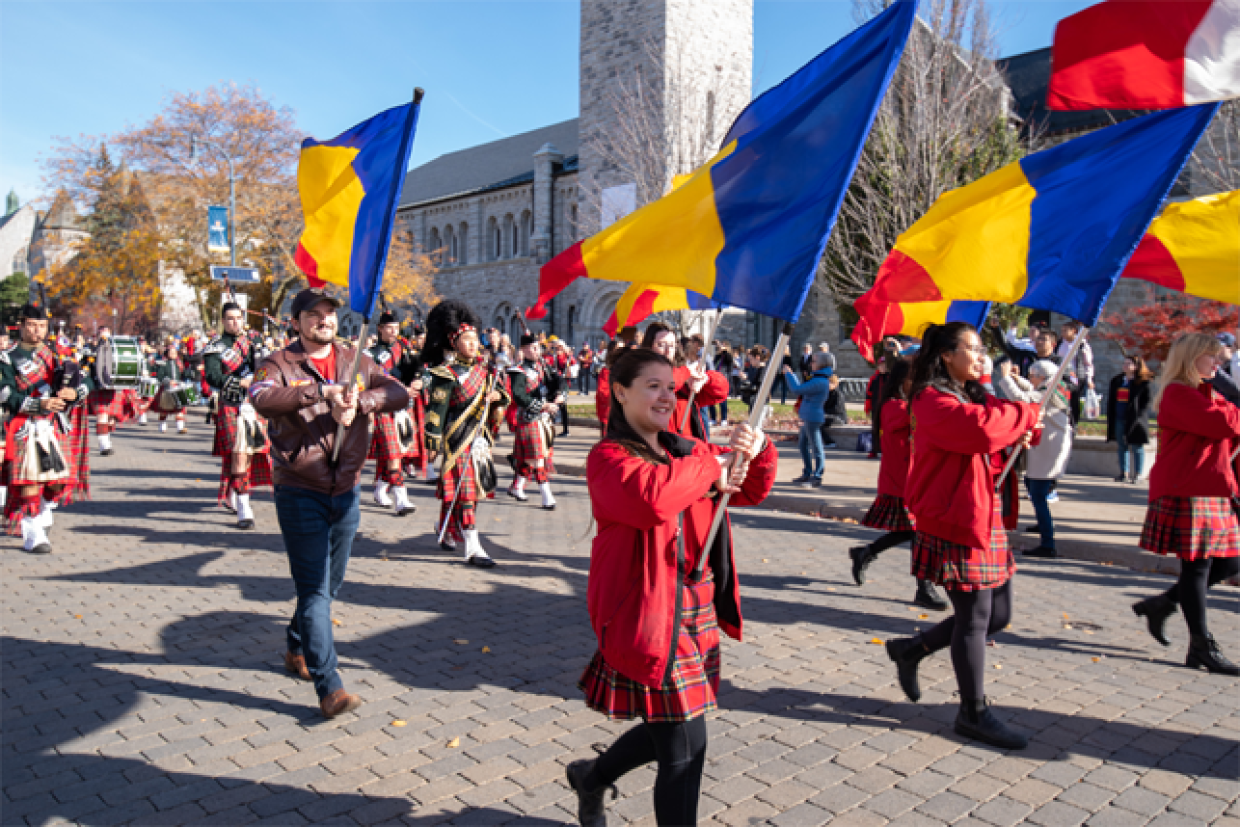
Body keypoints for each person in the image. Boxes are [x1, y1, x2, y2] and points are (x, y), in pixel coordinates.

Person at [566, 348, 776, 827]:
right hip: (649, 610)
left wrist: (756, 448)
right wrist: (711, 466)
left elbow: (749, 490)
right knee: (685, 745)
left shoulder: (687, 451)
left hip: (695, 605)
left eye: (672, 387)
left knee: (673, 733)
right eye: (653, 386)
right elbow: (652, 499)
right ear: (620, 392)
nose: (667, 396)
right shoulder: (608, 457)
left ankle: (592, 777)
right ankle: (592, 778)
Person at [250, 288, 409, 718]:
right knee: (315, 591)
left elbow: (398, 392)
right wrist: (321, 394)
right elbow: (261, 398)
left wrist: (364, 401)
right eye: (314, 315)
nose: (325, 320)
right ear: (297, 322)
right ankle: (329, 685)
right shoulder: (280, 363)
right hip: (301, 487)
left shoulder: (355, 359)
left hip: (347, 489)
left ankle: (296, 644)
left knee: (330, 585)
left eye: (330, 315)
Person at [884, 322, 1041, 749]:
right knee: (974, 619)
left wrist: (1023, 429)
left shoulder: (971, 394)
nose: (980, 355)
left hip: (982, 512)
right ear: (946, 356)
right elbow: (982, 431)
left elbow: (1000, 430)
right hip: (956, 515)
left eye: (981, 348)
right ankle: (973, 711)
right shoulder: (931, 398)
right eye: (971, 349)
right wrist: (1023, 415)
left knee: (998, 615)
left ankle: (912, 650)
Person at [1130, 333, 1239, 676]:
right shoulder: (1178, 393)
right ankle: (1201, 645)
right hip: (1188, 488)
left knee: (1229, 564)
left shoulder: (1205, 393)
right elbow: (1224, 422)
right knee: (1198, 568)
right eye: (1213, 358)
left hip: (1211, 488)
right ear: (1193, 359)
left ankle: (1163, 604)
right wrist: (1228, 394)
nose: (1218, 365)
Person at [849, 358, 949, 610]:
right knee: (918, 533)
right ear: (901, 380)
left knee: (913, 532)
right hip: (901, 481)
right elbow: (920, 416)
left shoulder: (906, 405)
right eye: (914, 380)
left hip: (916, 479)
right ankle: (923, 588)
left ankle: (867, 553)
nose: (919, 385)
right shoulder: (894, 407)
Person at [423, 300, 510, 567]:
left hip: (479, 437)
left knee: (471, 489)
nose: (473, 344)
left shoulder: (486, 372)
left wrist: (498, 397)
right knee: (466, 491)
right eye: (466, 340)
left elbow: (500, 400)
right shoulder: (445, 374)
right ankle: (473, 547)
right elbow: (436, 410)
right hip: (457, 437)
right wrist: (432, 440)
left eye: (475, 339)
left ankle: (446, 526)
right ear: (454, 343)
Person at [0, 304, 91, 554]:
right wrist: (39, 404)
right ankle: (32, 532)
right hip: (25, 425)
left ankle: (43, 507)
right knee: (29, 479)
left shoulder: (60, 355)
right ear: (21, 326)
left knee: (57, 483)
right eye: (31, 325)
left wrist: (74, 392)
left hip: (55, 424)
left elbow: (87, 381)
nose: (37, 331)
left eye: (41, 326)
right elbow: (5, 394)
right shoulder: (7, 357)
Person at [204, 303, 273, 529]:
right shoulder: (215, 346)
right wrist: (238, 382)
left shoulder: (251, 343)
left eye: (238, 318)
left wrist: (262, 351)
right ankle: (244, 506)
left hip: (252, 404)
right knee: (239, 452)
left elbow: (263, 369)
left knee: (249, 453)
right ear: (223, 321)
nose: (235, 322)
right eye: (230, 319)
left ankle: (236, 489)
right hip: (230, 404)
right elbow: (212, 377)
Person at [364, 310, 424, 516]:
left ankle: (380, 487)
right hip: (384, 407)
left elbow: (420, 370)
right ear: (380, 329)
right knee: (393, 453)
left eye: (396, 328)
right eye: (389, 328)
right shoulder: (369, 355)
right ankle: (401, 497)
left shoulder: (405, 349)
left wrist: (419, 380)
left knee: (394, 453)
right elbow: (370, 383)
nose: (393, 332)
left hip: (404, 408)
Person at [1021, 360, 1074, 559]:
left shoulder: (1049, 391)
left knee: (1038, 493)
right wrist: (1018, 378)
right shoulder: (1053, 387)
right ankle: (1043, 524)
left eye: (1031, 375)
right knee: (1032, 486)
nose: (1029, 379)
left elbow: (1025, 397)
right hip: (1047, 449)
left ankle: (1047, 542)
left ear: (1042, 377)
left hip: (1049, 450)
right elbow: (1032, 389)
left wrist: (1007, 378)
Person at [505, 334, 565, 509]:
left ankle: (516, 487)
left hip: (544, 420)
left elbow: (559, 382)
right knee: (537, 459)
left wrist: (560, 394)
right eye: (532, 347)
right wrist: (544, 405)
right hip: (528, 419)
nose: (537, 350)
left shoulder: (543, 366)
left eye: (538, 347)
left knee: (531, 458)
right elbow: (520, 396)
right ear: (523, 350)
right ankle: (547, 497)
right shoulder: (518, 371)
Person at [641, 323, 728, 440]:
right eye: (661, 345)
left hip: (688, 449)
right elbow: (664, 385)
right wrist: (686, 372)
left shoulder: (684, 378)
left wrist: (705, 379)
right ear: (649, 347)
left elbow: (721, 391)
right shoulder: (640, 375)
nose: (667, 351)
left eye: (671, 346)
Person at [782, 352, 833, 487]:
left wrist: (788, 374)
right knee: (803, 444)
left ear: (821, 363)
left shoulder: (819, 381)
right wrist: (792, 375)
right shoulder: (819, 378)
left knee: (816, 447)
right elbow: (801, 389)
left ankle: (817, 476)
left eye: (814, 361)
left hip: (813, 417)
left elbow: (797, 389)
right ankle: (808, 472)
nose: (811, 363)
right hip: (809, 416)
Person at [1106, 355, 1154, 483]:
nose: (1125, 366)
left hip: (1135, 420)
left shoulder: (1142, 382)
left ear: (1136, 366)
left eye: (1129, 364)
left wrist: (1138, 415)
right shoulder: (1118, 381)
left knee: (1137, 446)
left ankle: (1138, 474)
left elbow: (1147, 401)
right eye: (1124, 363)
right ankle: (1124, 473)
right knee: (1122, 446)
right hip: (1119, 418)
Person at [85, 326, 131, 456]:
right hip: (98, 387)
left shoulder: (116, 350)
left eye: (107, 335)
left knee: (111, 419)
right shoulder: (91, 350)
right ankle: (104, 445)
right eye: (102, 335)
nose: (104, 338)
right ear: (97, 336)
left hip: (113, 388)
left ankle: (105, 438)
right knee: (102, 415)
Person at [1058, 321, 1094, 424]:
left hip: (1075, 377)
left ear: (1073, 331)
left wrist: (1089, 379)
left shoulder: (1082, 345)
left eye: (1065, 331)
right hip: (1061, 376)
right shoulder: (1060, 343)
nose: (1063, 333)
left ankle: (1073, 423)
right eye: (1062, 331)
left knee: (1073, 400)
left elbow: (1088, 364)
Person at [149, 342, 189, 434]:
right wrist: (168, 381)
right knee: (164, 410)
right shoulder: (163, 363)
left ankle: (180, 428)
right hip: (166, 389)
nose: (173, 354)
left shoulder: (179, 363)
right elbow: (160, 376)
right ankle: (162, 425)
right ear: (167, 353)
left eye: (175, 353)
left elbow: (182, 374)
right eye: (171, 353)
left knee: (180, 408)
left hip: (177, 388)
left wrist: (190, 373)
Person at [820, 374, 847, 449]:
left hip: (839, 418)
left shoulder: (838, 394)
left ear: (835, 384)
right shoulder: (826, 394)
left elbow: (837, 409)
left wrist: (824, 413)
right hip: (828, 416)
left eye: (829, 383)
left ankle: (830, 442)